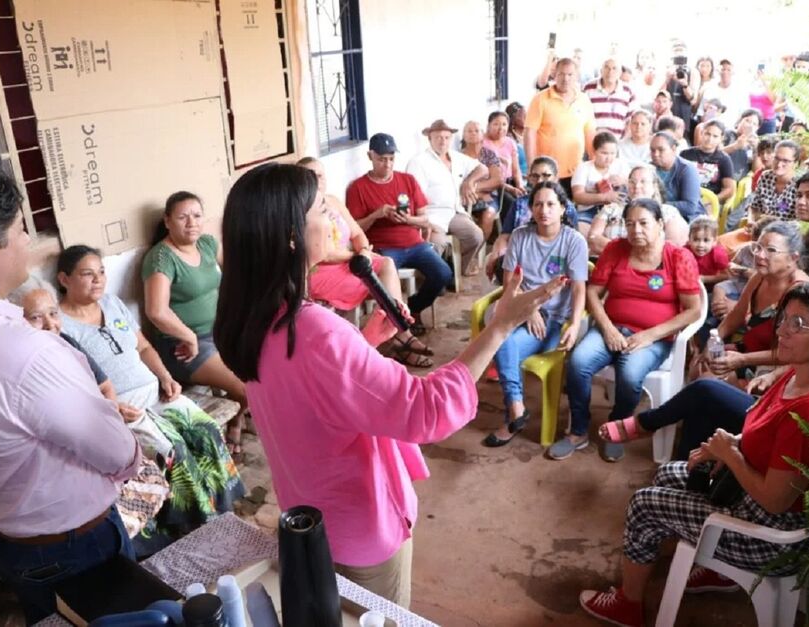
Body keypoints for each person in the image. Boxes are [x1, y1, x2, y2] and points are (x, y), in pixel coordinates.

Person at [211, 163, 562, 607]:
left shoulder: (251, 320)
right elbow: (424, 409)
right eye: (323, 209)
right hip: (359, 527)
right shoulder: (314, 330)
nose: (336, 220)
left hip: (307, 510)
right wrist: (498, 327)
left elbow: (310, 389)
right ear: (291, 236)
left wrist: (366, 342)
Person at [581, 281, 809, 627]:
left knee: (644, 504)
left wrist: (730, 454)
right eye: (783, 319)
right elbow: (765, 429)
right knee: (670, 474)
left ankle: (628, 604)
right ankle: (713, 568)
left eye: (798, 324)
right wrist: (724, 447)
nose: (782, 331)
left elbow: (775, 501)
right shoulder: (800, 373)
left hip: (772, 537)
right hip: (750, 497)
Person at [0, 167, 140, 623]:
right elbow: (116, 449)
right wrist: (131, 457)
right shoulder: (28, 352)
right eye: (20, 231)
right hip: (67, 546)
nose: (28, 242)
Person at [603, 252, 809, 457]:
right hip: (781, 404)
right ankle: (686, 478)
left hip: (793, 430)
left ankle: (647, 428)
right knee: (704, 406)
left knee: (706, 391)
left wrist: (780, 401)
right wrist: (775, 377)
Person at [58, 245, 245, 538]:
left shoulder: (112, 304)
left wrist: (166, 377)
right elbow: (73, 387)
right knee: (173, 451)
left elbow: (143, 346)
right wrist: (112, 409)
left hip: (156, 392)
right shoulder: (61, 325)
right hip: (125, 409)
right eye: (87, 274)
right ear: (64, 279)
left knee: (206, 429)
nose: (98, 280)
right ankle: (198, 523)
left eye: (102, 272)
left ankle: (224, 506)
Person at [8, 280, 171, 555]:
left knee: (161, 453)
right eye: (36, 317)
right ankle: (131, 550)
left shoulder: (66, 343)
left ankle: (155, 537)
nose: (50, 325)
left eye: (53, 313)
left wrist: (111, 412)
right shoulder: (22, 368)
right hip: (67, 460)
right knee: (121, 481)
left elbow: (105, 386)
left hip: (95, 434)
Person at [550, 199, 703, 462]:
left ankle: (617, 425)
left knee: (630, 375)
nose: (636, 230)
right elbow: (593, 293)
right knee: (577, 362)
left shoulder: (678, 257)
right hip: (611, 328)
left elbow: (693, 310)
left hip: (652, 337)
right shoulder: (615, 249)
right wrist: (607, 329)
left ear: (659, 224)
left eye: (643, 223)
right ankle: (578, 430)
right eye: (629, 224)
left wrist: (649, 335)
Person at [297, 157, 433, 367]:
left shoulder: (332, 201)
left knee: (386, 264)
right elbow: (322, 253)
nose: (316, 180)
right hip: (321, 271)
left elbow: (358, 232)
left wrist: (363, 251)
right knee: (374, 282)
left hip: (349, 261)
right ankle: (398, 337)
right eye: (309, 176)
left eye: (319, 175)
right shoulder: (300, 210)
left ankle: (397, 331)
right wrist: (357, 256)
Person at [481, 182, 588, 446]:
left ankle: (512, 414)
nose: (544, 210)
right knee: (500, 332)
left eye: (551, 204)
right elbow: (509, 284)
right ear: (530, 209)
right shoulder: (519, 236)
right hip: (519, 309)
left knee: (502, 340)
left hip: (551, 320)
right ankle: (516, 407)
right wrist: (528, 308)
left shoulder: (573, 241)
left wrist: (574, 324)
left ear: (563, 208)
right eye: (538, 204)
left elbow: (577, 290)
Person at [141, 191, 247, 456]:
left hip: (220, 333)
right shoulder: (161, 258)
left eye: (197, 216)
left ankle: (240, 412)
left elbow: (237, 273)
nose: (192, 223)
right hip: (183, 346)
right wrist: (188, 336)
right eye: (182, 217)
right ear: (167, 221)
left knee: (264, 368)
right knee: (248, 387)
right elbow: (156, 311)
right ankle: (237, 419)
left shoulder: (208, 244)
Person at [346, 133, 451, 333]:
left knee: (443, 273)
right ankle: (398, 327)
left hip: (415, 244)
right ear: (370, 156)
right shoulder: (358, 188)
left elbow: (424, 219)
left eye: (391, 159)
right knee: (387, 284)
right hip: (384, 248)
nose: (387, 164)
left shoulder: (407, 180)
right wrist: (376, 215)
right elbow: (356, 229)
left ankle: (412, 309)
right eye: (382, 159)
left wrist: (409, 220)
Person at [700, 221, 809, 383]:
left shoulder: (800, 292)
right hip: (749, 351)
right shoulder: (759, 277)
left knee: (709, 381)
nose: (759, 255)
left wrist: (742, 360)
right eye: (758, 247)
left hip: (776, 367)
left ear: (793, 258)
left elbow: (795, 352)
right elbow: (736, 315)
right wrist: (713, 341)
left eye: (771, 250)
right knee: (701, 366)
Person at [406, 119, 487, 274]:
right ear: (429, 139)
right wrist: (425, 223)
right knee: (437, 243)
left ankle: (455, 271)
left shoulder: (457, 157)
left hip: (454, 212)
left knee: (475, 236)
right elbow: (414, 198)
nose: (442, 141)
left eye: (446, 137)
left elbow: (483, 169)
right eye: (438, 137)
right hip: (432, 214)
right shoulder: (418, 162)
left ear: (451, 139)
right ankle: (435, 277)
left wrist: (469, 181)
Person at [484, 156, 579, 281]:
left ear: (556, 178)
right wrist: (496, 254)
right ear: (529, 178)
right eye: (535, 176)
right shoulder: (519, 204)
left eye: (546, 175)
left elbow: (571, 244)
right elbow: (505, 236)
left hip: (554, 258)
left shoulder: (566, 207)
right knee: (503, 263)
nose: (540, 180)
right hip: (522, 257)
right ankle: (516, 294)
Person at [525, 58, 597, 192]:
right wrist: (532, 167)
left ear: (576, 76)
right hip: (546, 173)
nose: (566, 79)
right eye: (561, 74)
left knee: (571, 211)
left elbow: (590, 133)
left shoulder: (584, 100)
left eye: (570, 75)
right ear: (554, 75)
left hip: (576, 172)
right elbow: (529, 133)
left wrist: (595, 164)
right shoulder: (540, 99)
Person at [587, 164, 689, 256]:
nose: (637, 186)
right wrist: (627, 254)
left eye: (643, 182)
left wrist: (638, 257)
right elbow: (593, 238)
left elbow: (674, 243)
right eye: (632, 182)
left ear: (654, 186)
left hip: (654, 267)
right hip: (612, 263)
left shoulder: (668, 211)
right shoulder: (611, 209)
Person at [571, 131, 630, 239]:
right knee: (583, 232)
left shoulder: (621, 165)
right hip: (589, 211)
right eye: (604, 153)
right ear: (594, 151)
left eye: (613, 153)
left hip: (616, 210)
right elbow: (577, 196)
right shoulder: (584, 168)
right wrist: (604, 197)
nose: (609, 158)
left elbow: (634, 184)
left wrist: (624, 181)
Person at [459, 120, 505, 241]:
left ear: (482, 134)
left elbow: (497, 180)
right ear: (463, 135)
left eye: (476, 131)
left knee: (488, 215)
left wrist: (473, 187)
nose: (473, 133)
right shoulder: (457, 156)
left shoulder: (489, 155)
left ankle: (478, 251)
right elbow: (457, 183)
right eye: (469, 131)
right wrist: (479, 193)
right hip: (463, 198)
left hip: (489, 197)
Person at [649, 131, 703, 221]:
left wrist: (659, 204)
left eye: (661, 150)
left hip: (687, 219)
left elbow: (690, 207)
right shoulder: (650, 168)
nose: (655, 154)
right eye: (652, 150)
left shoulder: (687, 169)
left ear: (673, 149)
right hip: (659, 216)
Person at [680, 120, 736, 205]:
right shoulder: (686, 154)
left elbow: (729, 189)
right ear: (701, 133)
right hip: (684, 197)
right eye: (707, 134)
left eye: (715, 136)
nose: (710, 139)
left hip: (708, 202)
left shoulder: (724, 159)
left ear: (721, 138)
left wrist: (712, 200)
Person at [582, 57, 637, 138]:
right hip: (592, 140)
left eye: (614, 68)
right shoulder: (588, 88)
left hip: (617, 143)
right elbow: (582, 116)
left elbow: (632, 119)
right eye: (606, 67)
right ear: (601, 71)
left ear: (620, 72)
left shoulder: (628, 91)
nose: (610, 72)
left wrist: (623, 141)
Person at [748, 139, 801, 220]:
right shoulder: (765, 177)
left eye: (785, 161)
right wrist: (751, 221)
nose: (779, 164)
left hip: (784, 231)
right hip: (761, 227)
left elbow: (800, 223)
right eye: (777, 158)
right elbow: (754, 207)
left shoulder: (800, 185)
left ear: (795, 163)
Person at [483, 110, 525, 200]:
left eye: (504, 124)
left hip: (510, 183)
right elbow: (488, 175)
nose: (500, 128)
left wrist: (520, 185)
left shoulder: (510, 142)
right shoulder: (482, 143)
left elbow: (516, 169)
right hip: (493, 185)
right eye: (496, 124)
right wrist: (511, 189)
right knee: (511, 202)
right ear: (488, 126)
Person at [700, 59, 747, 129]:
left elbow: (744, 115)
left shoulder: (740, 92)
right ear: (718, 71)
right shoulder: (709, 89)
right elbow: (701, 113)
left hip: (731, 130)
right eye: (723, 69)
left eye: (728, 69)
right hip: (710, 130)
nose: (725, 72)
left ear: (733, 72)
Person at [686, 215, 729, 287]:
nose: (700, 245)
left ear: (714, 241)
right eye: (696, 239)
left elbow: (727, 275)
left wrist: (704, 279)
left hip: (712, 286)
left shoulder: (718, 254)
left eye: (706, 240)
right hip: (689, 283)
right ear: (689, 240)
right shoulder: (685, 251)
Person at [722, 108, 762, 181]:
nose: (750, 125)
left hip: (737, 185)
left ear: (757, 128)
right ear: (740, 120)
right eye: (747, 121)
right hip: (719, 177)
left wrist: (756, 150)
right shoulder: (728, 134)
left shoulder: (754, 144)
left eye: (754, 124)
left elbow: (756, 171)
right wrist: (735, 146)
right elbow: (714, 153)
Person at [505, 101, 528, 177]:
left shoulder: (531, 135)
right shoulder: (508, 139)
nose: (527, 117)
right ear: (513, 119)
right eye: (523, 115)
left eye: (527, 114)